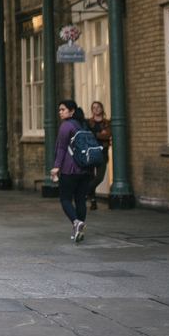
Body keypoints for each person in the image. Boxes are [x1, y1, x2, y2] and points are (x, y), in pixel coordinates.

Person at [51, 99, 94, 244]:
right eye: (59, 110)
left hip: (70, 169)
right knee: (80, 200)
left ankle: (76, 223)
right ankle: (78, 229)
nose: (60, 112)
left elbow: (62, 148)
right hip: (86, 169)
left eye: (63, 109)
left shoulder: (66, 126)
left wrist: (56, 167)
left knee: (65, 199)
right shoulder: (83, 124)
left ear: (72, 111)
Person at [86, 101, 112, 211]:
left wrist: (95, 134)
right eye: (94, 108)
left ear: (102, 108)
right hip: (91, 152)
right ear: (92, 110)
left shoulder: (107, 123)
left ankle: (86, 191)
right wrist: (100, 134)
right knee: (91, 176)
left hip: (103, 152)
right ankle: (93, 201)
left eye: (98, 107)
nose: (96, 109)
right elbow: (87, 136)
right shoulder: (89, 123)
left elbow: (108, 135)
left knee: (99, 177)